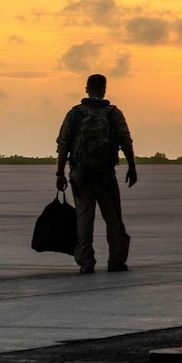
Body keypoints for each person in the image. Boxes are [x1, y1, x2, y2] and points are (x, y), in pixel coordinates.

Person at [55, 73, 136, 274]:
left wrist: (59, 173)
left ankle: (86, 261)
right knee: (113, 218)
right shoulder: (113, 113)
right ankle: (116, 260)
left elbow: (63, 144)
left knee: (84, 218)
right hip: (105, 175)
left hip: (80, 174)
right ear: (104, 89)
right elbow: (125, 140)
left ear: (86, 89)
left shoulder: (74, 114)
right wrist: (132, 167)